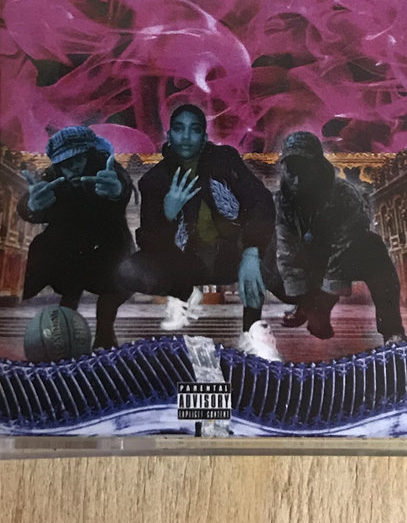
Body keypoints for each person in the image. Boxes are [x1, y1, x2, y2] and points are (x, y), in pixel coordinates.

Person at [118, 104, 285, 358]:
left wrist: (251, 253)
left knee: (262, 233)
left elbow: (260, 201)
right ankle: (184, 294)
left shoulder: (224, 160)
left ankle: (252, 329)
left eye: (194, 130)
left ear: (204, 136)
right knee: (128, 270)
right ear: (169, 135)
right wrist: (167, 213)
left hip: (233, 255)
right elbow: (149, 244)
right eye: (179, 129)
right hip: (187, 262)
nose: (186, 136)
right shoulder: (154, 180)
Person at [274, 131, 407, 345]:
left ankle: (392, 330)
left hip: (341, 257)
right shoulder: (282, 201)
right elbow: (286, 247)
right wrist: (302, 295)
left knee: (375, 250)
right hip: (307, 259)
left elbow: (344, 246)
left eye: (305, 168)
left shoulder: (344, 195)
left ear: (318, 166)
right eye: (292, 169)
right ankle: (305, 306)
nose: (297, 180)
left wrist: (324, 301)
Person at [16, 125, 132, 349]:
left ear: (89, 154)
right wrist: (31, 206)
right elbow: (32, 198)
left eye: (77, 160)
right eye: (65, 163)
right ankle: (63, 328)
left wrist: (117, 190)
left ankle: (105, 333)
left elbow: (122, 183)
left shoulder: (105, 167)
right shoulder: (52, 176)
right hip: (68, 251)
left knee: (115, 289)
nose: (72, 169)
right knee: (68, 287)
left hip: (108, 249)